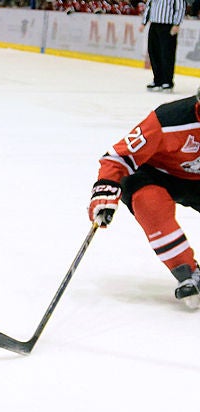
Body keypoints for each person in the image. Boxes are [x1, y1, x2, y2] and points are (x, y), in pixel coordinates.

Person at [88, 88, 200, 306]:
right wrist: (105, 188)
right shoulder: (169, 119)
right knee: (149, 204)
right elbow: (118, 158)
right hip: (155, 174)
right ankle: (187, 272)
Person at [142, 0, 185, 91]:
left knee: (167, 53)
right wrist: (144, 22)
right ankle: (157, 79)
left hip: (167, 25)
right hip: (154, 24)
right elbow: (149, 6)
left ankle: (167, 81)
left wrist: (177, 24)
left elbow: (180, 8)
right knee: (153, 52)